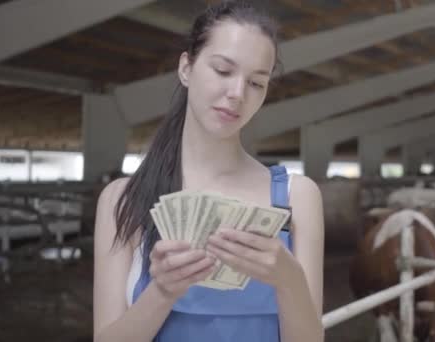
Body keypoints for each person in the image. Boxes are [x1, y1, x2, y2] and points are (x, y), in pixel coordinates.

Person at [92, 1, 325, 341]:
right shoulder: (122, 200)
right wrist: (163, 292)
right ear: (186, 68)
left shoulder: (296, 196)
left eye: (257, 83)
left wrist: (289, 279)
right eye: (222, 70)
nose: (237, 94)